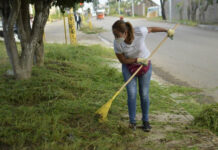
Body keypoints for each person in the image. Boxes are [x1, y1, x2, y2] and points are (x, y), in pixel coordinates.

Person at [112, 20, 174, 132]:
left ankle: (145, 121)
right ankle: (132, 122)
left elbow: (151, 29)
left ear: (125, 32)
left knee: (144, 94)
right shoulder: (117, 43)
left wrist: (166, 31)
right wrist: (136, 60)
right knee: (131, 94)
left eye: (117, 35)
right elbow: (123, 60)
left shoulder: (139, 32)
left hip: (145, 65)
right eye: (114, 35)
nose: (116, 37)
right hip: (129, 67)